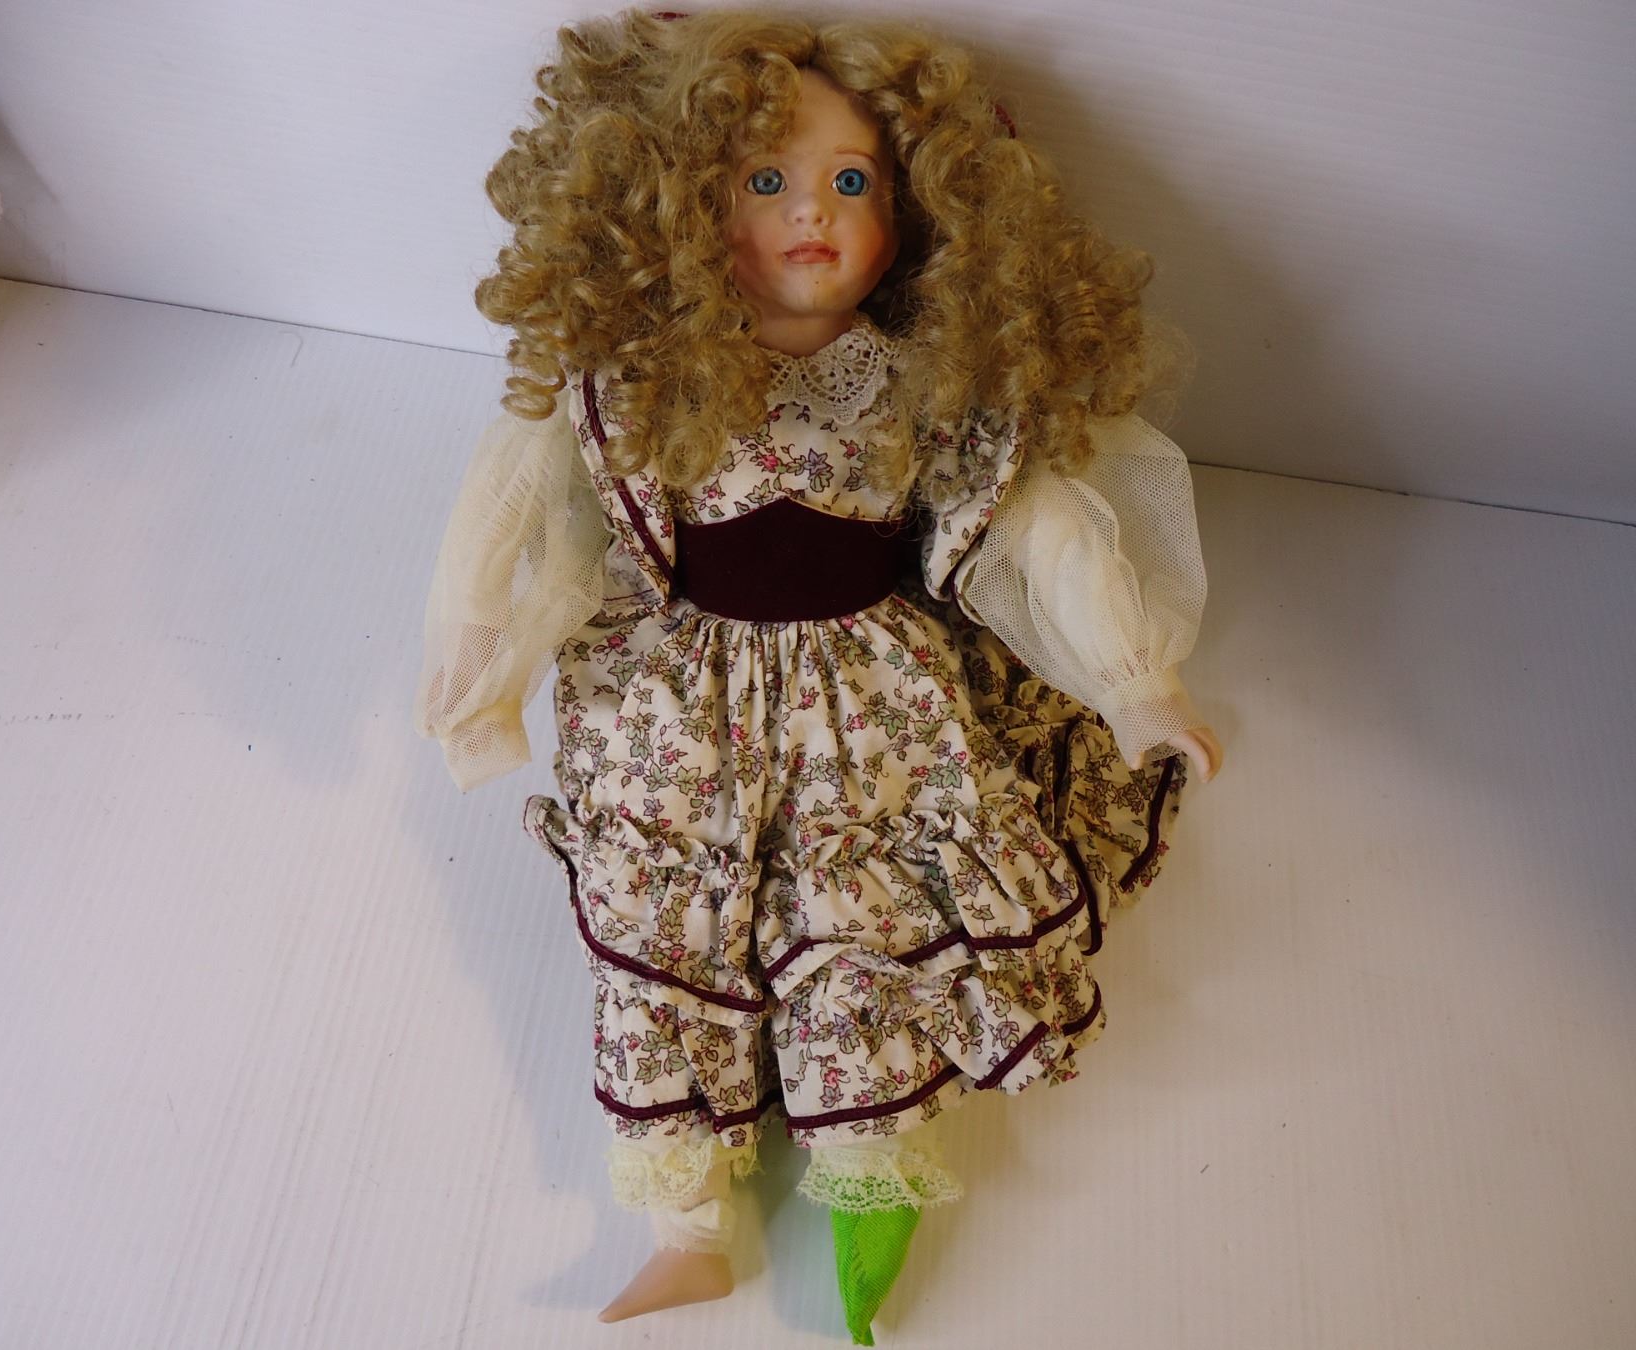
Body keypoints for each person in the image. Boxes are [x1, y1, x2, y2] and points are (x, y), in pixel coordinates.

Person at [415, 10, 1223, 1342]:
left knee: (867, 925)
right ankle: (683, 1224)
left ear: (917, 216)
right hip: (679, 703)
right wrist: (477, 671)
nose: (815, 213)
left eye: (855, 182)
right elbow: (515, 510)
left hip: (869, 701)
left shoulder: (916, 386)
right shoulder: (642, 381)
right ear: (686, 207)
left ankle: (868, 1182)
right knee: (661, 926)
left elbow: (1044, 528)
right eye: (766, 180)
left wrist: (1134, 677)